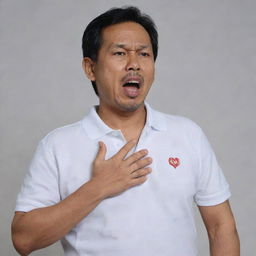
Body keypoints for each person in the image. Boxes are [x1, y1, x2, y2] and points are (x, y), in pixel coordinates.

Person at [12, 6, 240, 256]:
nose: (134, 64)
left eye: (144, 54)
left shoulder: (188, 135)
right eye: (120, 53)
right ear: (90, 68)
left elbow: (221, 227)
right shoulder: (57, 145)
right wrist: (98, 187)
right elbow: (24, 240)